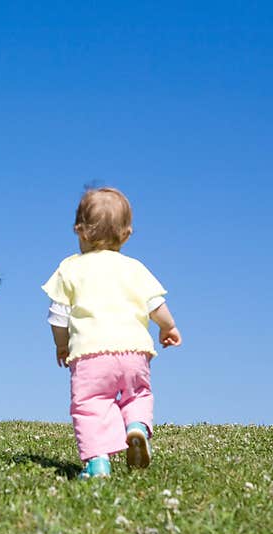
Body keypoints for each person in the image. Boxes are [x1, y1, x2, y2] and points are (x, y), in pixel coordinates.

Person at [41, 187, 181, 479]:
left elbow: (58, 316)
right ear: (127, 234)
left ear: (79, 230)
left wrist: (62, 346)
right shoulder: (134, 268)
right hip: (134, 352)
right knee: (138, 395)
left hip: (91, 354)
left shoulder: (70, 268)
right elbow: (156, 305)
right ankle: (136, 427)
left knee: (91, 405)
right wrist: (168, 328)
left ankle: (97, 462)